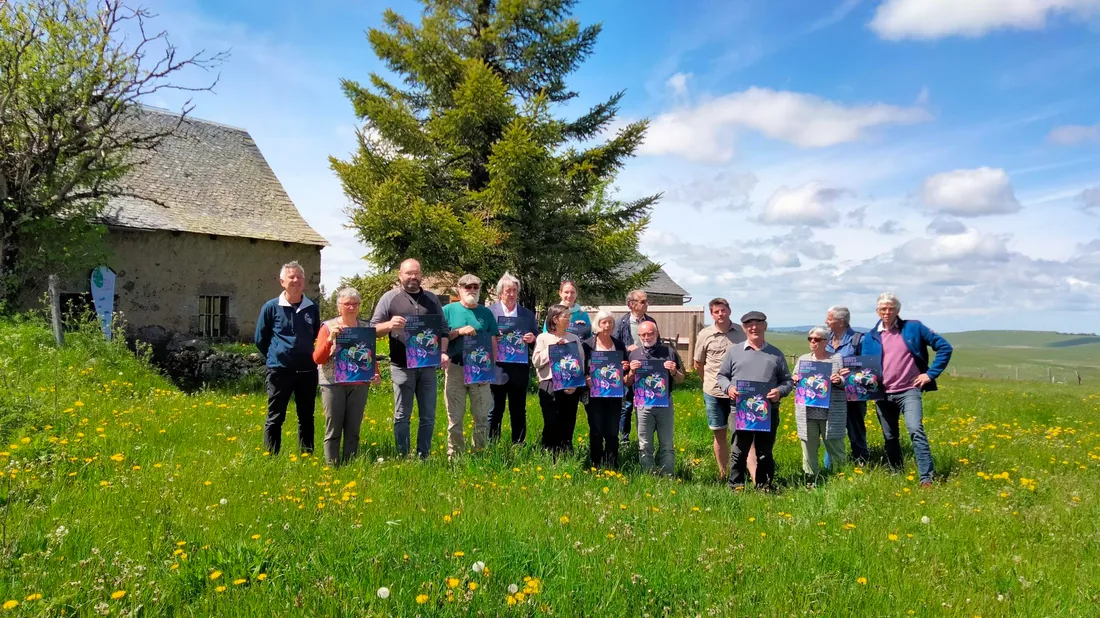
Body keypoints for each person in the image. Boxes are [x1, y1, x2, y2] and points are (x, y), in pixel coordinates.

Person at [861, 293, 953, 488]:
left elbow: (945, 347)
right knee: (890, 436)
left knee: (915, 429)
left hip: (909, 390)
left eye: (891, 308)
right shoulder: (870, 337)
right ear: (877, 311)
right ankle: (897, 472)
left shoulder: (913, 328)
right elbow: (865, 368)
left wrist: (930, 374)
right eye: (883, 309)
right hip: (883, 393)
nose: (887, 312)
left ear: (898, 310)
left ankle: (926, 478)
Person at [370, 258, 451, 459]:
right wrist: (389, 325)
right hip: (401, 366)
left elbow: (443, 331)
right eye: (408, 273)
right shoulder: (389, 298)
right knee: (402, 415)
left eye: (416, 273)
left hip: (428, 367)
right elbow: (372, 330)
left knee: (428, 416)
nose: (413, 277)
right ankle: (403, 456)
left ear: (421, 275)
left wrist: (442, 351)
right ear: (400, 275)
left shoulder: (432, 299)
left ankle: (424, 455)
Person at [715, 311, 793, 492]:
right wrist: (729, 388)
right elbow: (721, 376)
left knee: (764, 452)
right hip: (740, 410)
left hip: (768, 410)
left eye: (758, 323)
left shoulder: (776, 354)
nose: (754, 327)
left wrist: (779, 392)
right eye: (749, 324)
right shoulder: (734, 352)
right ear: (744, 328)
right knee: (738, 450)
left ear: (765, 326)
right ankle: (736, 486)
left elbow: (787, 382)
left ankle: (764, 486)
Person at [255, 261, 321, 456]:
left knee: (306, 416)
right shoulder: (271, 307)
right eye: (291, 277)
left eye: (299, 277)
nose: (295, 280)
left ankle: (307, 455)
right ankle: (271, 456)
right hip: (280, 371)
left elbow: (316, 335)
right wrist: (277, 355)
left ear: (304, 282)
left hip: (307, 371)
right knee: (275, 416)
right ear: (282, 281)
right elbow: (260, 338)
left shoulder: (312, 308)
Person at [312, 287, 382, 465]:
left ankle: (350, 465)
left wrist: (376, 374)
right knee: (333, 428)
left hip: (359, 383)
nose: (352, 307)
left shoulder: (366, 328)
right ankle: (331, 467)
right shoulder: (328, 327)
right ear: (339, 307)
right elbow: (317, 358)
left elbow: (370, 355)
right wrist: (330, 341)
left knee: (353, 428)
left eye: (355, 304)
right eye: (347, 304)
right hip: (332, 382)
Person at [692, 297, 755, 481]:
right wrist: (710, 382)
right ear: (712, 314)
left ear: (729, 310)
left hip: (739, 392)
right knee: (719, 433)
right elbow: (698, 363)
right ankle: (724, 473)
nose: (720, 314)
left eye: (723, 310)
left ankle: (749, 474)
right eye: (716, 311)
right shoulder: (705, 335)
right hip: (714, 392)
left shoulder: (742, 333)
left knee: (744, 434)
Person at [442, 274, 499, 458]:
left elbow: (493, 342)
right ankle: (455, 456)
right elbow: (440, 337)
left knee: (482, 417)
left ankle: (479, 454)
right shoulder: (448, 310)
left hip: (480, 370)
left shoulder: (486, 313)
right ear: (459, 289)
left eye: (475, 286)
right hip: (455, 369)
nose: (472, 290)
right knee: (455, 418)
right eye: (467, 287)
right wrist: (458, 331)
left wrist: (493, 367)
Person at [625, 321, 685, 476]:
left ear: (657, 333)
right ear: (639, 336)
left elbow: (681, 379)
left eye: (650, 333)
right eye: (643, 334)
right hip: (642, 404)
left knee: (666, 443)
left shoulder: (669, 352)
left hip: (664, 403)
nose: (647, 337)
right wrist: (631, 371)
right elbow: (627, 382)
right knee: (644, 443)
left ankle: (668, 475)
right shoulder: (634, 354)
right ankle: (648, 474)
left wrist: (673, 372)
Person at [488, 273, 537, 444]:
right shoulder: (490, 313)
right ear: (500, 293)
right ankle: (492, 447)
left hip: (519, 370)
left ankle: (519, 445)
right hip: (497, 369)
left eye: (514, 291)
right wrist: (493, 339)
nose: (511, 294)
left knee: (518, 411)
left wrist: (532, 339)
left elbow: (538, 342)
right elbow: (481, 340)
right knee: (495, 410)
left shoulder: (527, 315)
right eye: (508, 291)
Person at [794, 326, 848, 480]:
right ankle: (811, 478)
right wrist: (795, 380)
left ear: (826, 341)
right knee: (808, 448)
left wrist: (839, 380)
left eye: (817, 339)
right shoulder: (803, 359)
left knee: (835, 447)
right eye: (810, 339)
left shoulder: (836, 358)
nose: (813, 342)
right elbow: (794, 379)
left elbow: (846, 381)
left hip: (830, 412)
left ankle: (840, 478)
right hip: (807, 412)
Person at [532, 304, 585, 454]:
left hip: (570, 386)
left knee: (568, 421)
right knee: (551, 421)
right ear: (555, 319)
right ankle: (548, 452)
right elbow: (536, 362)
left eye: (569, 316)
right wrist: (552, 349)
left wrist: (575, 385)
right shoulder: (543, 338)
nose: (569, 319)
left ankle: (566, 452)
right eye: (565, 316)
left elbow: (580, 362)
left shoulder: (573, 338)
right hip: (549, 384)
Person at [823, 305, 870, 466]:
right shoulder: (826, 338)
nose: (826, 322)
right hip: (830, 393)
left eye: (829, 319)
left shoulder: (859, 340)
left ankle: (861, 461)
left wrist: (851, 371)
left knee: (855, 427)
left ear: (841, 322)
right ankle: (831, 466)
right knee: (831, 429)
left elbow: (869, 367)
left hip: (853, 392)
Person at [582, 311, 628, 468]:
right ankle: (595, 464)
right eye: (604, 322)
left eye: (610, 322)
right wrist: (586, 378)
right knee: (596, 430)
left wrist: (625, 368)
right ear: (597, 324)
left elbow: (626, 370)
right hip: (594, 395)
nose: (607, 326)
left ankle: (612, 464)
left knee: (612, 432)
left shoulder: (619, 345)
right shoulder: (587, 345)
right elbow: (581, 368)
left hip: (614, 395)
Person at [614, 289, 657, 444]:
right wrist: (627, 348)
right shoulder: (621, 323)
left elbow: (657, 343)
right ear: (632, 305)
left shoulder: (651, 321)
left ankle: (645, 440)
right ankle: (624, 440)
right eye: (643, 301)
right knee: (626, 406)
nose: (647, 304)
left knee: (646, 406)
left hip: (647, 371)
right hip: (628, 371)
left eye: (646, 301)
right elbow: (614, 347)